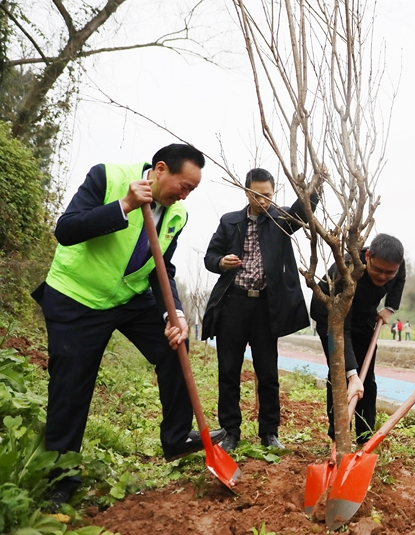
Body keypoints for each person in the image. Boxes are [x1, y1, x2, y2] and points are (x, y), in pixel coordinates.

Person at [32, 144, 225, 510]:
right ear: (160, 169)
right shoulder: (107, 177)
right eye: (184, 186)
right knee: (71, 387)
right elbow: (66, 229)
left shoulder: (177, 214)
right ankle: (60, 479)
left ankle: (176, 437)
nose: (185, 195)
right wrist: (124, 205)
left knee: (174, 344)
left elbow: (161, 267)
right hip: (78, 297)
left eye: (192, 190)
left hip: (128, 297)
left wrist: (175, 313)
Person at [202, 168, 317, 452]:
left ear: (273, 193)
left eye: (268, 195)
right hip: (234, 304)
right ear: (246, 192)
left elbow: (303, 212)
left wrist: (317, 184)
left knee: (267, 372)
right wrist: (221, 262)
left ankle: (269, 432)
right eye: (256, 195)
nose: (263, 201)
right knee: (229, 370)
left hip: (266, 306)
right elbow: (210, 257)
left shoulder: (280, 220)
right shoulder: (229, 221)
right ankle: (230, 432)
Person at [310, 234, 406, 444]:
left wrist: (389, 308)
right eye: (378, 270)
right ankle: (339, 436)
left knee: (367, 379)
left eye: (389, 272)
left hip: (363, 316)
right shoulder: (344, 273)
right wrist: (352, 375)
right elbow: (341, 329)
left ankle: (364, 437)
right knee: (340, 375)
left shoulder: (395, 265)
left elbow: (399, 279)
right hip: (331, 316)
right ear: (368, 256)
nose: (383, 276)